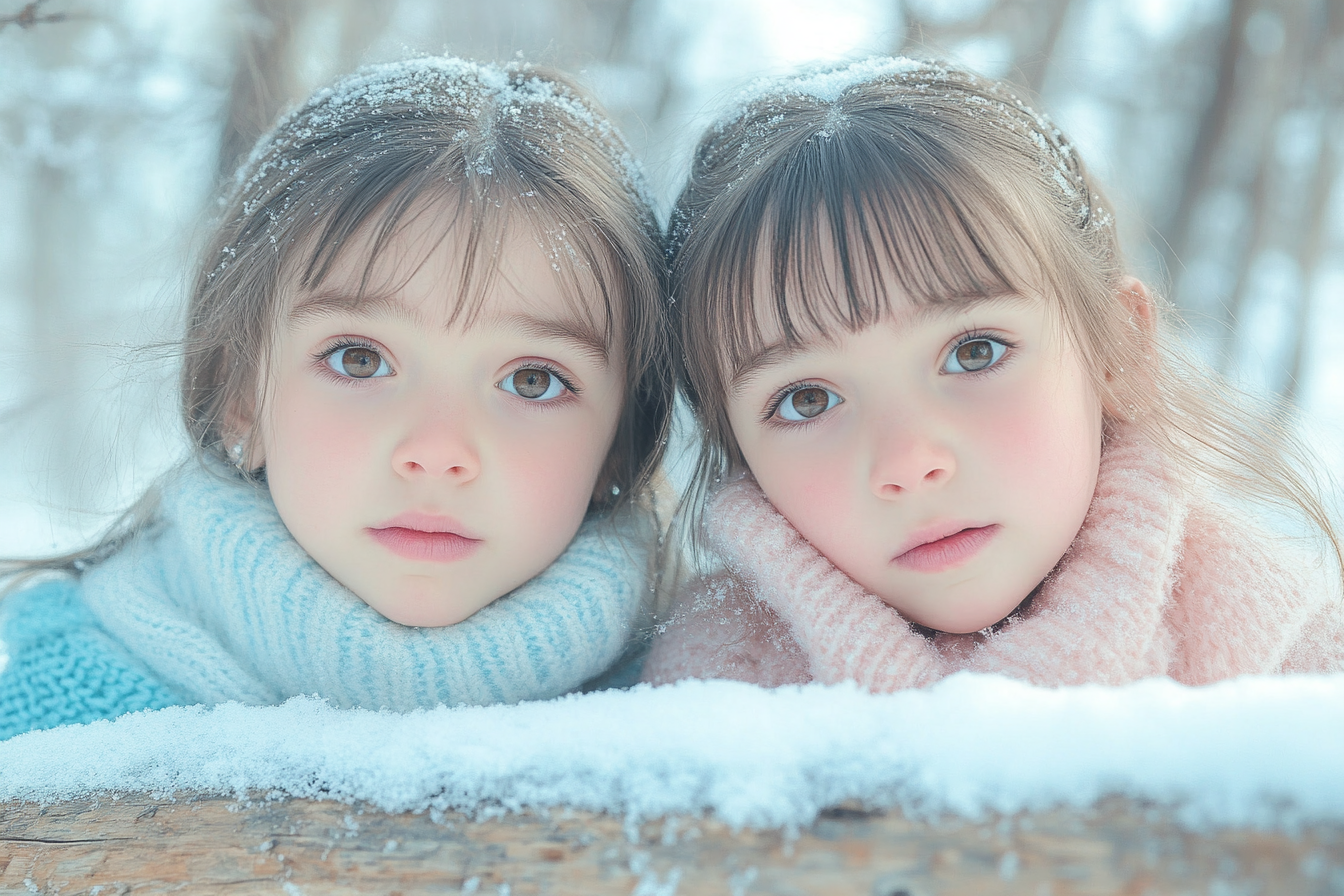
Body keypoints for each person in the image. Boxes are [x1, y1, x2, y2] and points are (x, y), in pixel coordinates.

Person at [0, 56, 671, 740]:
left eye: (533, 380)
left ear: (620, 439)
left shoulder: (688, 709)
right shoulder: (48, 728)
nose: (437, 452)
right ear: (240, 395)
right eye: (360, 360)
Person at [643, 58, 1343, 691]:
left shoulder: (1285, 656)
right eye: (807, 399)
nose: (910, 463)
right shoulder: (715, 679)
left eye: (974, 351)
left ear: (1117, 352)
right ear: (736, 446)